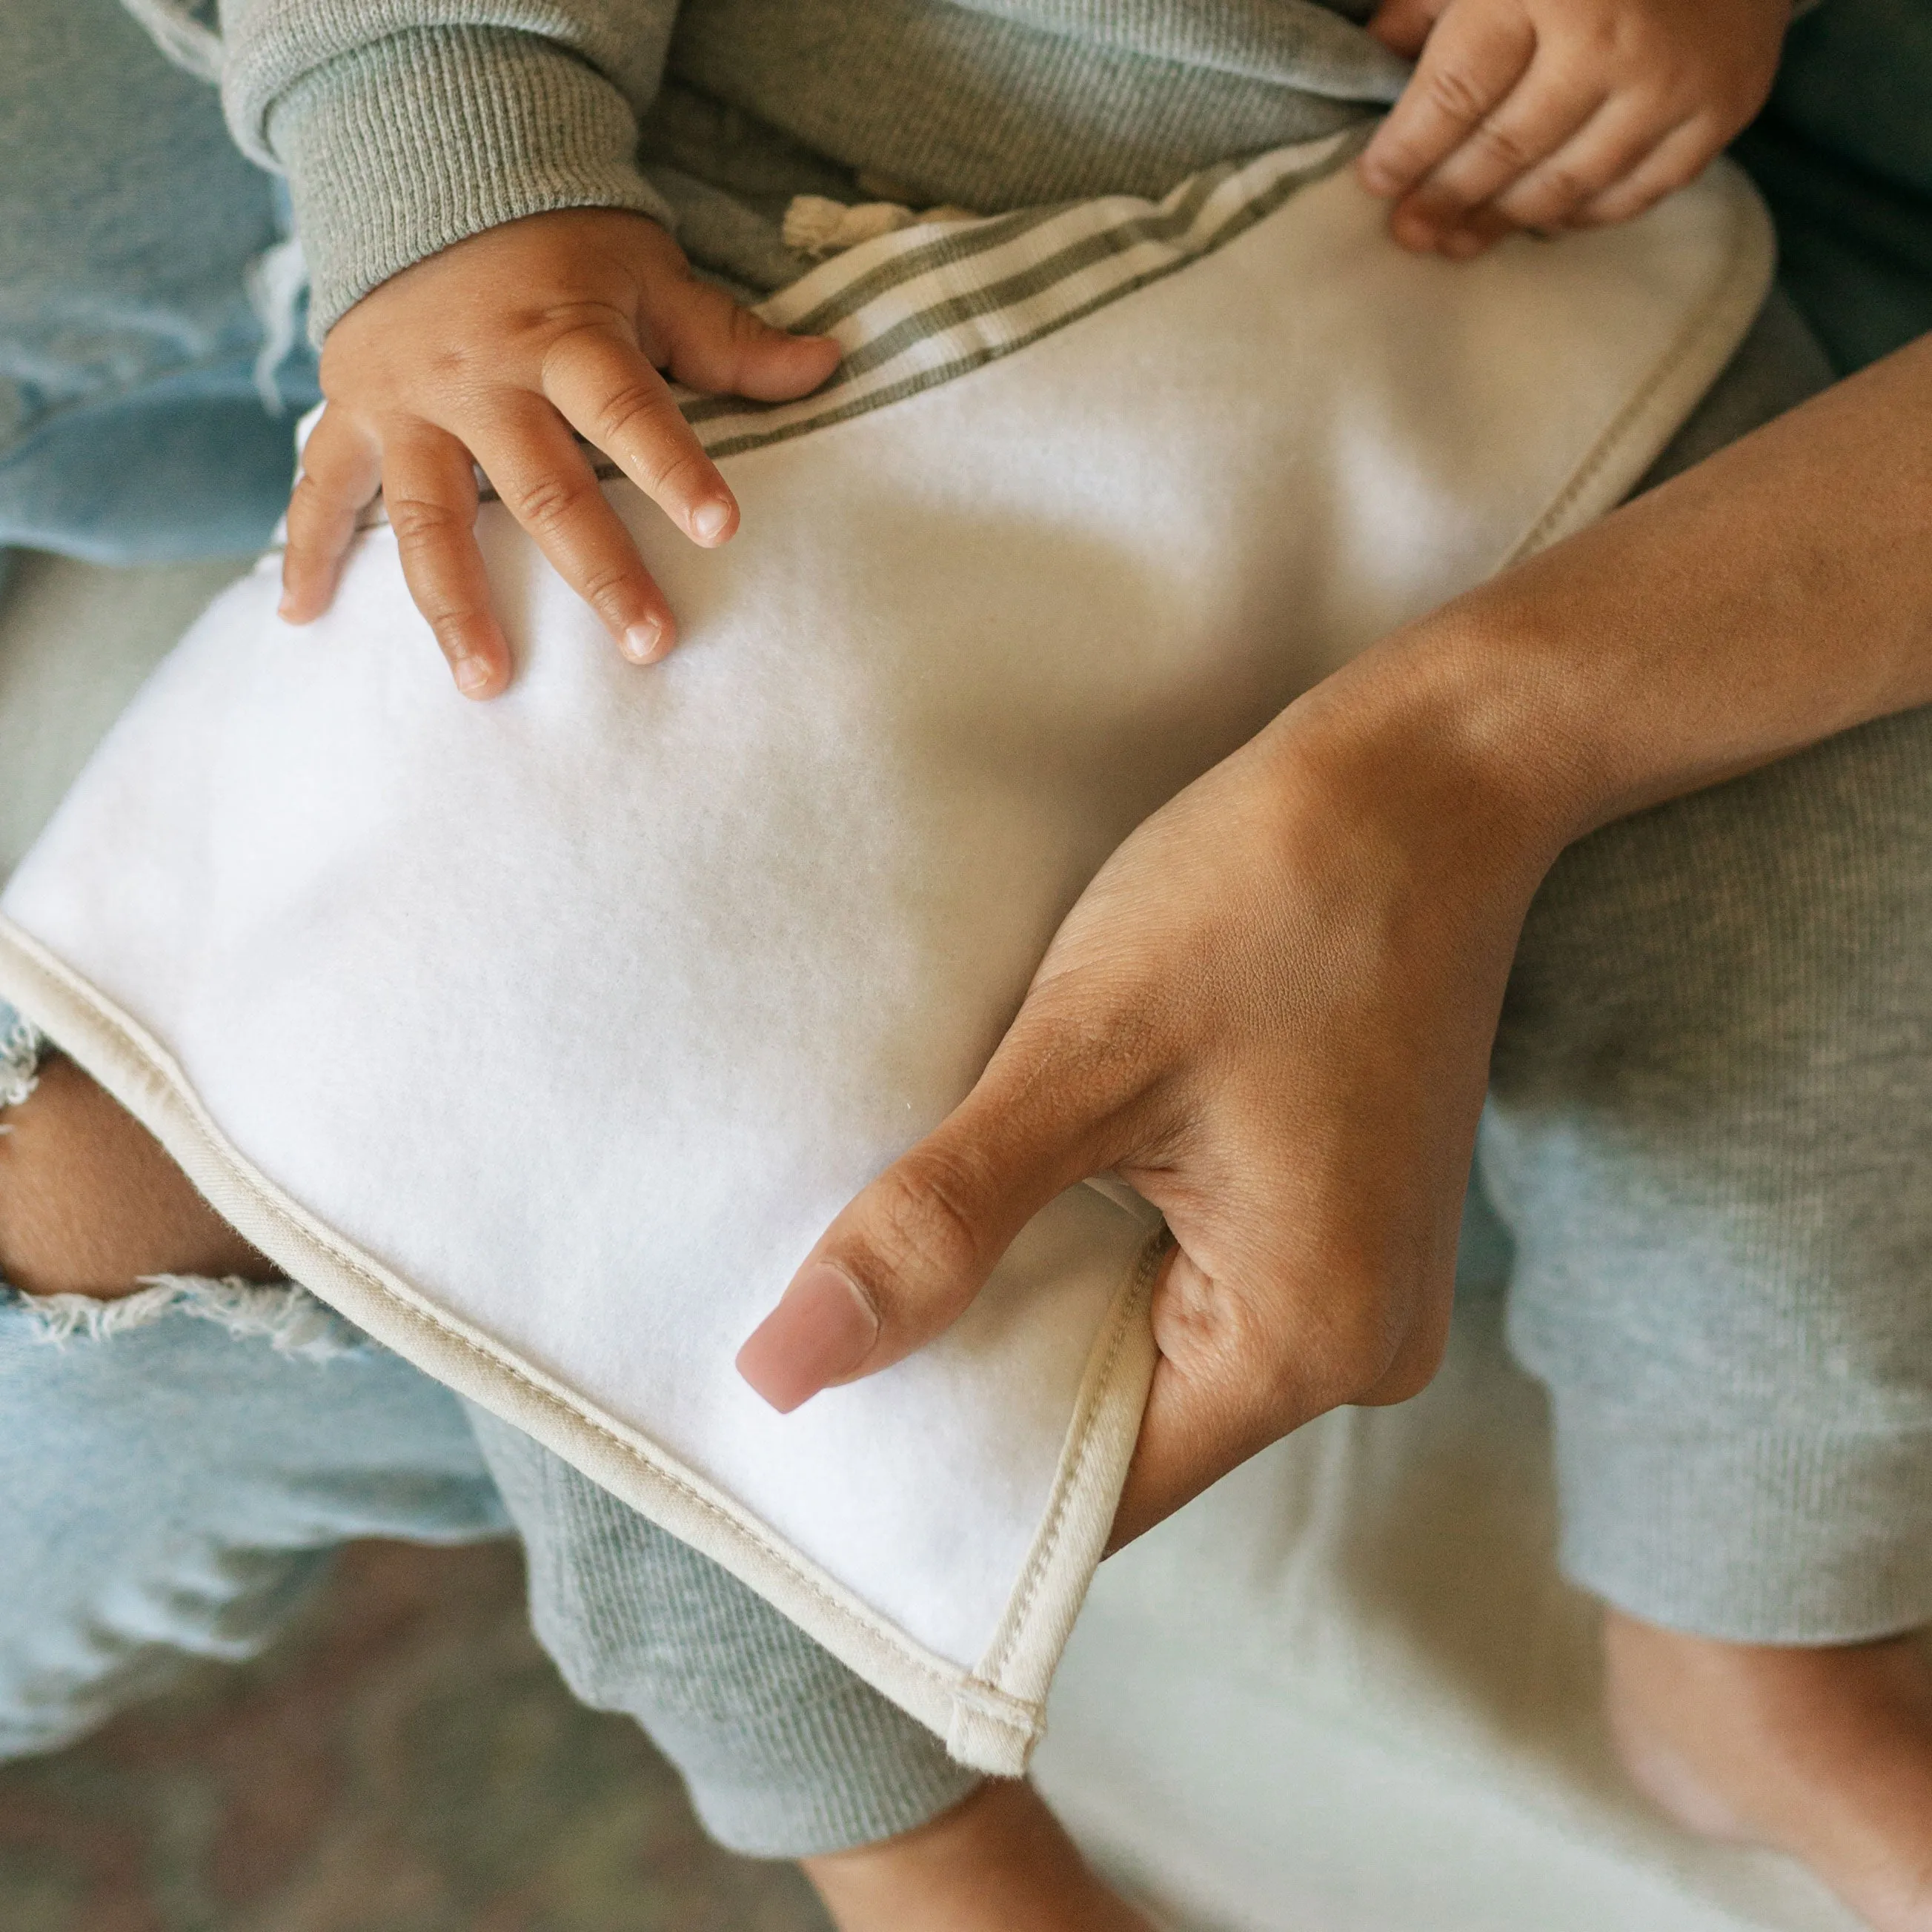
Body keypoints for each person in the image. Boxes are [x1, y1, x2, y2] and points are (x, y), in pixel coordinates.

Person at [3, 3, 1925, 1931]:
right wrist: (444, 172)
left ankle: (1754, 1633)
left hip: (1627, 385)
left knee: (1824, 967)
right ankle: (895, 1829)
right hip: (781, 238)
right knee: (535, 1017)